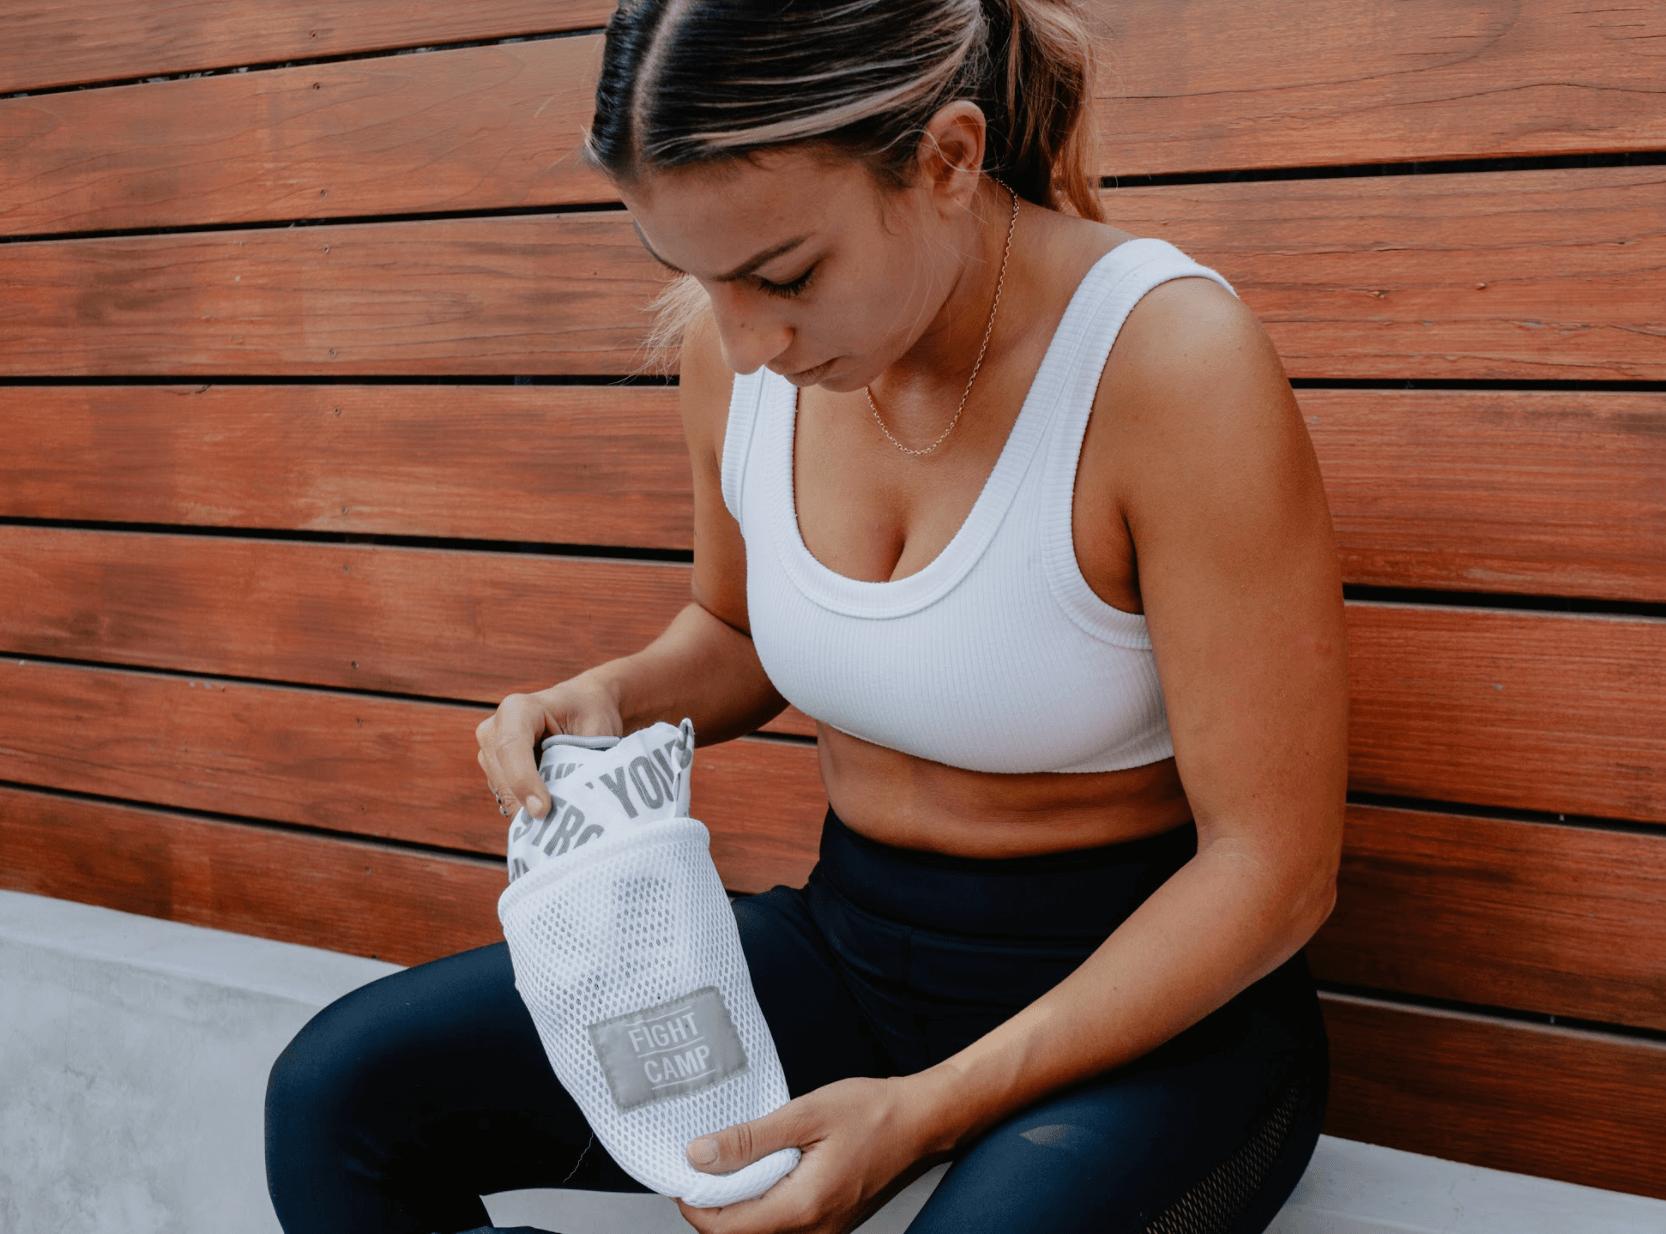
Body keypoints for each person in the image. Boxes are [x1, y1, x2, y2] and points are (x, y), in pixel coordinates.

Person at [263, 1, 1349, 1231]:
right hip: (855, 955)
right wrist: (613, 696)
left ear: (946, 158)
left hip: (1158, 1026)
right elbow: (731, 636)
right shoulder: (734, 355)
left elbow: (1274, 870)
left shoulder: (1165, 359)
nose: (746, 337)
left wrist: (923, 1109)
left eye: (784, 275)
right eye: (695, 277)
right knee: (338, 1095)